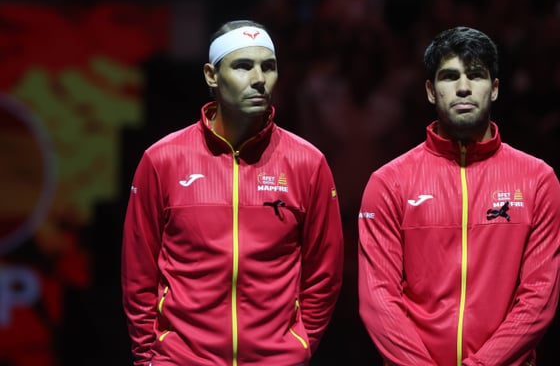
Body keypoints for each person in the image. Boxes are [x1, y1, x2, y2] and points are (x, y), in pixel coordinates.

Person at [121, 19, 344, 366]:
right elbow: (138, 272)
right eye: (242, 66)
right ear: (211, 75)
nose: (259, 78)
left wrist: (299, 345)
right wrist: (147, 355)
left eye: (268, 67)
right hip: (181, 359)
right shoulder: (162, 160)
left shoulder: (307, 163)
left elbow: (324, 272)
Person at [358, 26, 560, 366]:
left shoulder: (538, 181)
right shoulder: (389, 183)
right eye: (450, 76)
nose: (463, 87)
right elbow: (379, 300)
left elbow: (539, 297)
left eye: (476, 75)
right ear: (430, 91)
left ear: (494, 89)